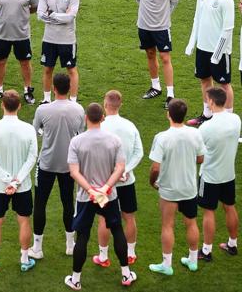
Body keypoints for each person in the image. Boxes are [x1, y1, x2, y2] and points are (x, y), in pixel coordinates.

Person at [65, 103, 136, 290]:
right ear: (103, 117)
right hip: (108, 196)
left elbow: (74, 172)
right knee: (117, 230)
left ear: (86, 118)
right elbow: (120, 167)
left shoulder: (77, 142)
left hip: (85, 198)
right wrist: (104, 188)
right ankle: (126, 274)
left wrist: (91, 190)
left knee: (83, 235)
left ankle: (76, 279)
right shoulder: (114, 140)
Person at [0, 90, 37, 274]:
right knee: (24, 221)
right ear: (19, 106)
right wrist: (17, 181)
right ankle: (25, 259)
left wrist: (6, 179)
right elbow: (32, 157)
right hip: (23, 186)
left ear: (2, 105)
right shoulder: (28, 129)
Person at [30, 73, 84, 260]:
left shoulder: (42, 110)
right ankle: (70, 244)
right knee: (68, 203)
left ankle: (37, 248)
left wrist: (47, 132)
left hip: (46, 163)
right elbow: (81, 134)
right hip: (69, 165)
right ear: (69, 88)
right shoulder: (78, 109)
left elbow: (34, 130)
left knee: (40, 203)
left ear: (53, 89)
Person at [148, 99, 206, 275]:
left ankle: (167, 265)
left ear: (169, 114)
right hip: (189, 188)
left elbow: (155, 167)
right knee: (191, 223)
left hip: (169, 189)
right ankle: (193, 260)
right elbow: (200, 158)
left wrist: (152, 182)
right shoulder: (195, 134)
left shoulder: (162, 137)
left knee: (167, 225)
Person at [94, 90, 143, 267]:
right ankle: (130, 253)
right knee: (129, 217)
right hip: (127, 181)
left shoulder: (100, 127)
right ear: (120, 104)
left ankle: (103, 256)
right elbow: (139, 152)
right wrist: (126, 170)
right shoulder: (130, 126)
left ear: (105, 104)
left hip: (104, 184)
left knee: (103, 219)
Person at [185, 0, 235, 126]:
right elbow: (197, 19)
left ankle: (227, 120)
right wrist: (192, 43)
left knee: (224, 84)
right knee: (205, 80)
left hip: (219, 52)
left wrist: (217, 54)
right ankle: (207, 114)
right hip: (202, 49)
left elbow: (227, 29)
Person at [132, 0, 179, 108]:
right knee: (150, 54)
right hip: (144, 25)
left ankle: (171, 94)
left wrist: (165, 14)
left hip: (162, 26)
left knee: (165, 58)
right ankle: (155, 86)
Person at [197, 87, 240, 259]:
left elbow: (198, 156)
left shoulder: (206, 128)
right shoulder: (236, 119)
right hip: (229, 174)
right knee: (230, 207)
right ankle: (232, 244)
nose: (207, 102)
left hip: (209, 176)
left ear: (212, 102)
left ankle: (206, 250)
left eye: (207, 99)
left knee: (209, 212)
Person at [37, 0, 80, 102]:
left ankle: (73, 100)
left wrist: (52, 15)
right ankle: (46, 99)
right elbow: (40, 14)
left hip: (67, 40)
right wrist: (59, 16)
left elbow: (70, 17)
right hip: (49, 39)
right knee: (47, 69)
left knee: (71, 70)